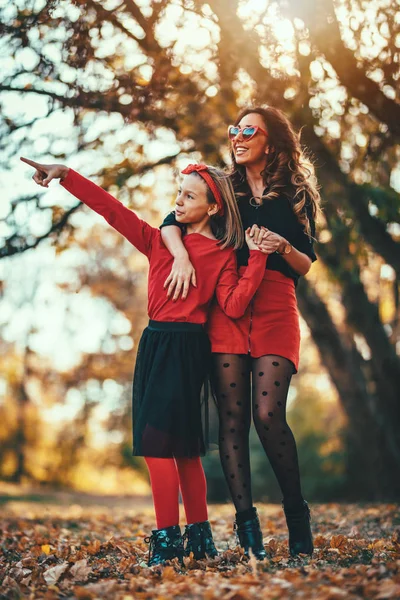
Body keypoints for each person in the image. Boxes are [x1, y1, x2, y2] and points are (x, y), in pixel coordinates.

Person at [21, 157, 268, 566]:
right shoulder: (159, 240)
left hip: (186, 348)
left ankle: (169, 542)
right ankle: (201, 540)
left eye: (190, 195)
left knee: (160, 447)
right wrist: (67, 175)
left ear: (212, 207)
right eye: (179, 192)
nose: (179, 199)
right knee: (184, 450)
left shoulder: (222, 254)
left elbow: (235, 304)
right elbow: (112, 210)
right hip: (156, 343)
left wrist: (256, 257)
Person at [160, 106, 321, 559]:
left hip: (274, 305)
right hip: (227, 307)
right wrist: (182, 257)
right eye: (234, 130)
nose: (238, 136)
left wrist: (284, 246)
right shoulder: (222, 188)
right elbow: (171, 221)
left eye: (249, 130)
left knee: (268, 415)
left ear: (270, 142)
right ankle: (249, 534)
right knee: (233, 421)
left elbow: (305, 265)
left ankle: (297, 518)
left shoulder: (293, 194)